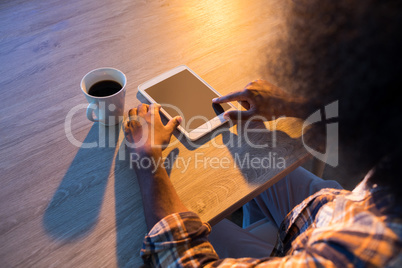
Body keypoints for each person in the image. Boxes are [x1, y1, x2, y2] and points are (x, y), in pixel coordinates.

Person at [124, 0, 402, 266]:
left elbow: (184, 261)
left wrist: (147, 158)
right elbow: (370, 104)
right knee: (248, 145)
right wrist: (291, 105)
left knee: (169, 222)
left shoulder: (356, 254)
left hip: (305, 248)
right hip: (334, 208)